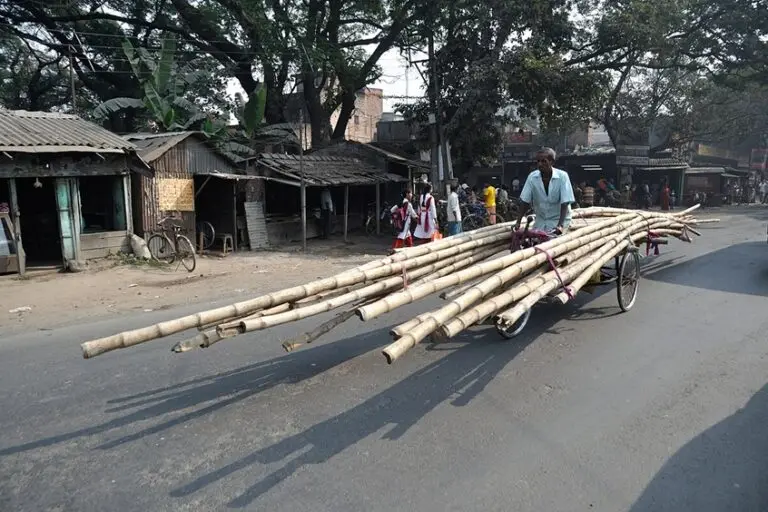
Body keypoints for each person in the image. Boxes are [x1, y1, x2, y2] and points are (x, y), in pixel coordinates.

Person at [515, 147, 575, 233]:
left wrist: (560, 225)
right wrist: (518, 222)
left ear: (552, 162)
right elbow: (525, 201)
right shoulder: (532, 177)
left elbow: (565, 202)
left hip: (559, 220)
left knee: (554, 244)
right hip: (541, 221)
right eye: (538, 161)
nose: (540, 164)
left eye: (544, 161)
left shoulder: (562, 177)